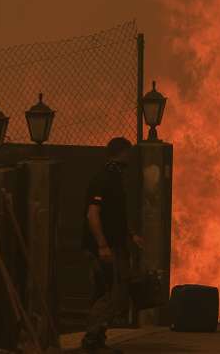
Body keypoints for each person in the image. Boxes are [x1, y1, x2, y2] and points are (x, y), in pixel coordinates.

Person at [81, 137, 143, 353]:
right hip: (103, 249)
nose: (131, 159)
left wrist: (130, 235)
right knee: (106, 293)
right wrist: (102, 246)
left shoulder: (115, 181)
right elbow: (92, 214)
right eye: (129, 154)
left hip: (115, 246)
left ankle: (99, 338)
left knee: (115, 293)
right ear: (122, 153)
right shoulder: (103, 180)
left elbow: (116, 215)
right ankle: (91, 341)